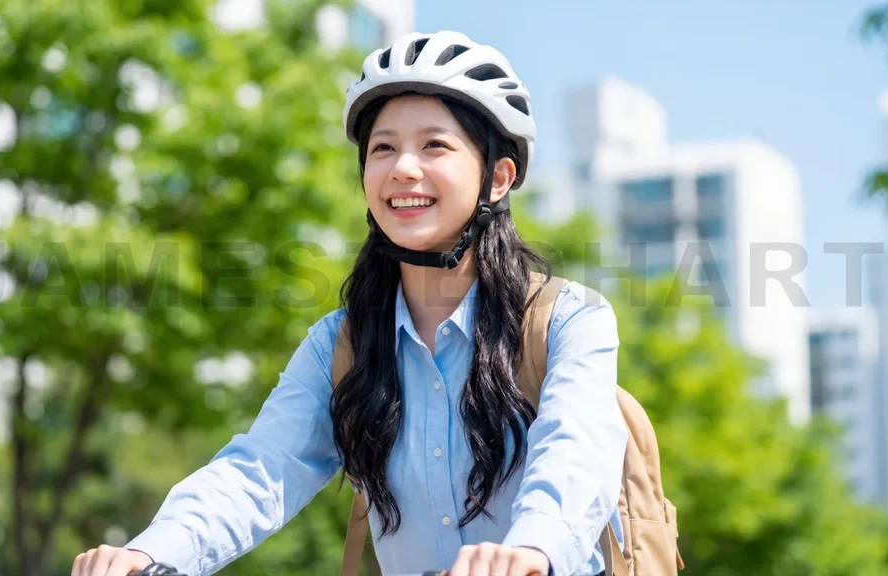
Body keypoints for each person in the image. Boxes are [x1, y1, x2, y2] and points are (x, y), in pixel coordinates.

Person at [72, 30, 628, 576]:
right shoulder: (341, 346)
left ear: (498, 178)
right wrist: (149, 553)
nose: (402, 167)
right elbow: (262, 468)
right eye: (383, 147)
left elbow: (575, 451)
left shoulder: (568, 321)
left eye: (434, 144)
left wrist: (531, 550)